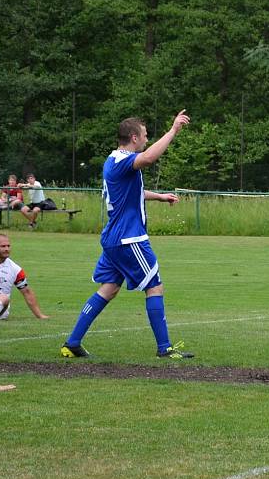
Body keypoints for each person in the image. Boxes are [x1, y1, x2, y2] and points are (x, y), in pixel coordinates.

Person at [61, 111, 194, 359]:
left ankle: (72, 342)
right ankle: (164, 348)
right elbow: (149, 158)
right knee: (154, 286)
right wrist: (173, 130)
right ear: (134, 137)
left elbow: (131, 193)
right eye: (144, 135)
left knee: (109, 289)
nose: (146, 139)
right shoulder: (125, 161)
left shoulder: (113, 161)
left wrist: (159, 197)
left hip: (114, 238)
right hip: (129, 238)